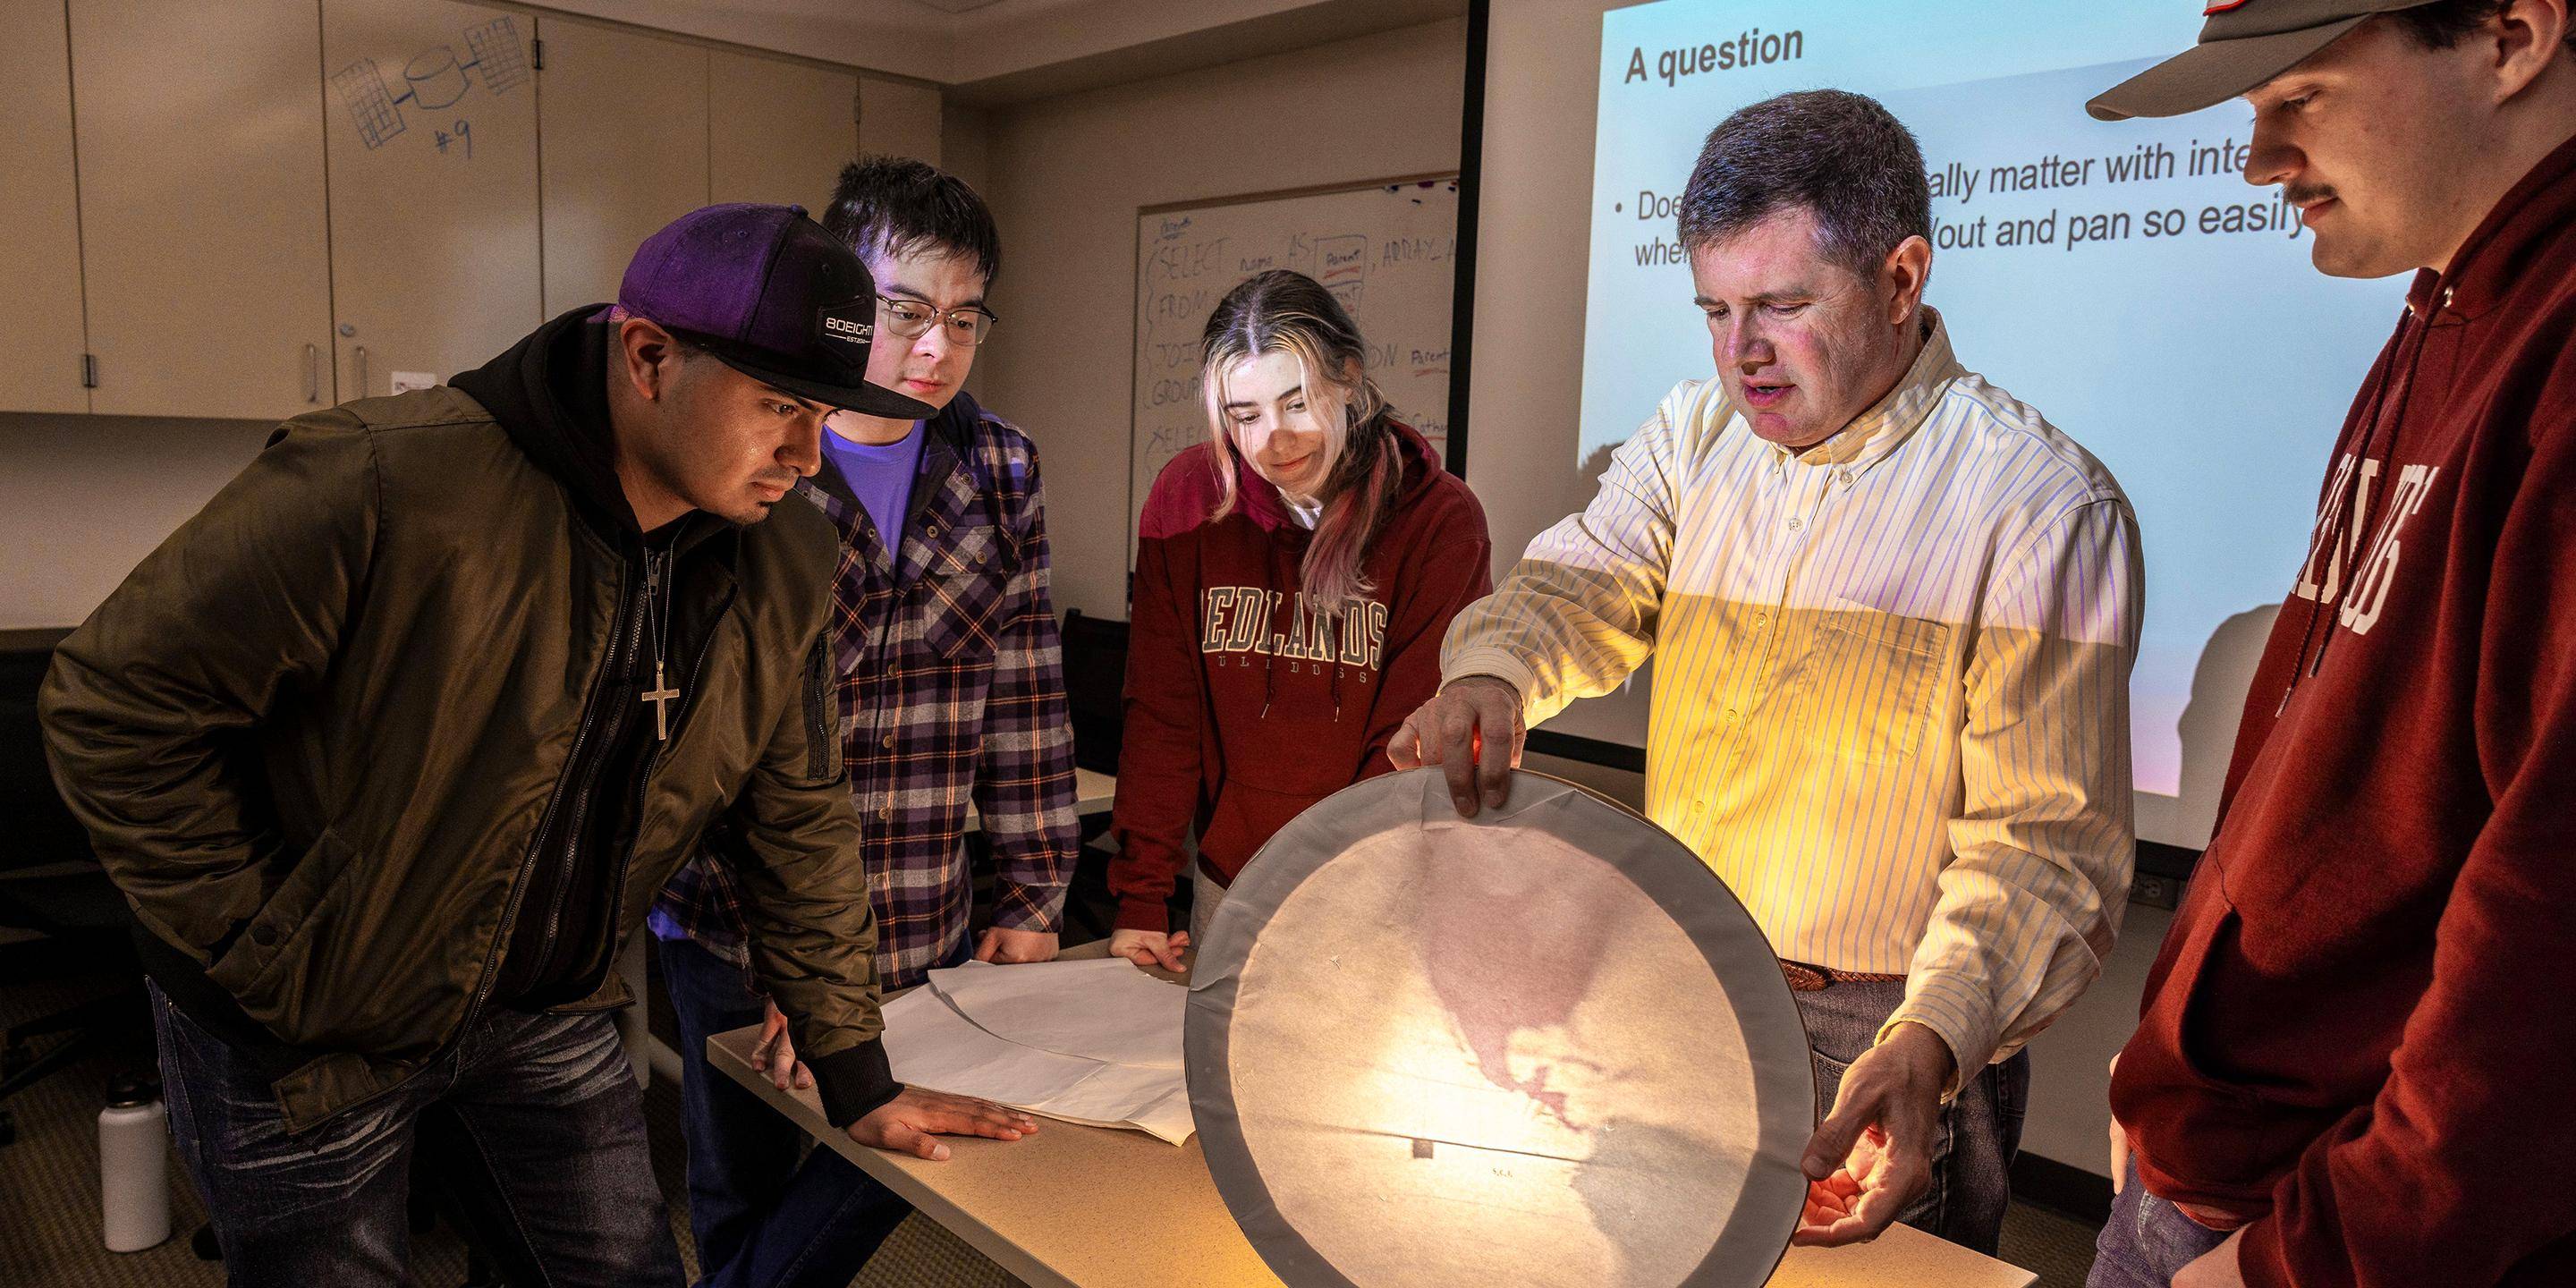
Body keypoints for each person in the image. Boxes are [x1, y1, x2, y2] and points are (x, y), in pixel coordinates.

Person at [38, 204, 1038, 1287]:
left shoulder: (782, 552)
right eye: (781, 408)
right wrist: (268, 950)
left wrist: (857, 1071)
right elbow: (112, 706)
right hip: (311, 1028)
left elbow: (794, 805)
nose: (808, 456)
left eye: (827, 414)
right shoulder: (384, 480)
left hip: (544, 1011)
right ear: (649, 356)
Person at [1391, 89, 2143, 1257]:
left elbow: (2047, 851)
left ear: (1902, 280)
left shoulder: (2040, 504)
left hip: (1889, 1024)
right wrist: (1495, 667)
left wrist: (1936, 1036)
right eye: (1717, 310)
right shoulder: (1697, 437)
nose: (1742, 351)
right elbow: (1575, 589)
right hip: (1686, 976)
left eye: (1783, 306)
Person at [2082, 3, 2576, 1284]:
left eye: (2296, 95)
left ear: (2513, 35)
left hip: (2317, 1232)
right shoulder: (2444, 306)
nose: (2257, 162)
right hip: (2221, 1169)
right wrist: (2163, 1076)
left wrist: (2311, 1258)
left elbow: (2548, 929)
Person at [647, 159, 1080, 1288]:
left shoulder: (1001, 467)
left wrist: (1034, 892)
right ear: (842, 304)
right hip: (739, 925)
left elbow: (1025, 682)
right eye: (905, 315)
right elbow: (708, 736)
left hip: (920, 908)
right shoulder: (750, 457)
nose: (935, 351)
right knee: (738, 1179)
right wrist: (800, 961)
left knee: (893, 1168)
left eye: (963, 320)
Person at [1106, 268, 1492, 969]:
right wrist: (1142, 896)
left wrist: (1337, 898)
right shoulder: (1189, 499)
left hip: (1375, 889)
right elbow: (1164, 713)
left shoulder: (1440, 522)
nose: (1273, 440)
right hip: (1230, 883)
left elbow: (1408, 745)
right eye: (1243, 415)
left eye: (1298, 403)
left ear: (1348, 379)